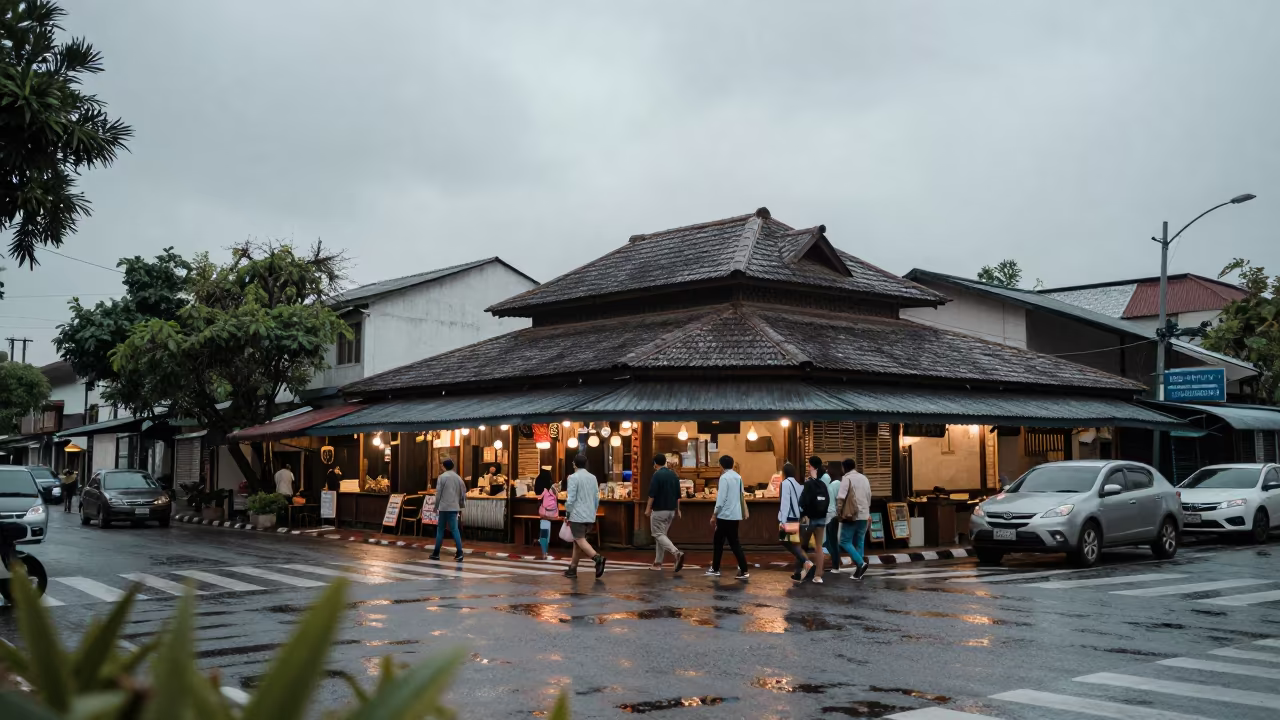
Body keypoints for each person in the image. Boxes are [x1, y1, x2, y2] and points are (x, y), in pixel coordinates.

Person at [706, 454, 750, 579]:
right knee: (733, 542)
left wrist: (714, 514)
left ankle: (716, 569)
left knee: (719, 542)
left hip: (725, 515)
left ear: (721, 465)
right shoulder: (738, 477)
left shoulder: (724, 478)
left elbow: (721, 499)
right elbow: (741, 494)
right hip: (735, 514)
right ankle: (742, 569)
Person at [565, 454, 606, 579]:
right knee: (578, 541)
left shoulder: (573, 477)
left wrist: (568, 511)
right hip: (589, 514)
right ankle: (572, 568)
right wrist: (593, 511)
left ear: (574, 464)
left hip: (577, 514)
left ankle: (597, 558)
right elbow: (596, 497)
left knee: (580, 539)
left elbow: (571, 498)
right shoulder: (593, 477)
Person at [646, 452, 684, 572]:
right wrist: (678, 510)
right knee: (661, 536)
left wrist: (648, 508)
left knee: (657, 534)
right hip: (671, 511)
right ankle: (658, 563)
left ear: (655, 464)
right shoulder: (673, 474)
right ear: (665, 462)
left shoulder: (657, 475)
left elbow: (652, 494)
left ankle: (676, 553)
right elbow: (678, 495)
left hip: (659, 510)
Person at [836, 458, 872, 579]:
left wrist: (839, 513)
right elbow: (869, 496)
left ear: (844, 467)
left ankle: (861, 563)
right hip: (864, 514)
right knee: (860, 541)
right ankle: (858, 571)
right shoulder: (864, 478)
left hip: (851, 515)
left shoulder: (846, 479)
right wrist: (867, 512)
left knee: (845, 541)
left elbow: (841, 497)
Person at [798, 455, 831, 583]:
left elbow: (803, 501)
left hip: (809, 519)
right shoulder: (823, 483)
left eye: (809, 465)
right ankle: (818, 575)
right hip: (821, 518)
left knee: (801, 546)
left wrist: (803, 514)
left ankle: (806, 567)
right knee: (819, 547)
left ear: (812, 466)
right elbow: (827, 500)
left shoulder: (809, 483)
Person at [430, 458, 466, 562]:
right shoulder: (458, 477)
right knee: (455, 529)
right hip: (454, 507)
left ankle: (436, 553)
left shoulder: (442, 477)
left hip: (444, 507)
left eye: (442, 466)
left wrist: (436, 506)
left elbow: (438, 494)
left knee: (440, 529)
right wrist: (461, 504)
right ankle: (459, 552)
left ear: (444, 466)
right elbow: (463, 491)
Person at [778, 462, 809, 581]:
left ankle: (806, 562)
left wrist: (782, 521)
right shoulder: (798, 484)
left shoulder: (785, 484)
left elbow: (785, 503)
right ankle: (797, 572)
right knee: (796, 544)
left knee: (786, 542)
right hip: (797, 517)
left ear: (784, 472)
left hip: (789, 518)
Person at [823, 462, 843, 572]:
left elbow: (838, 500)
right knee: (828, 542)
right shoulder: (832, 483)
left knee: (832, 542)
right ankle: (835, 564)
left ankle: (836, 565)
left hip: (832, 515)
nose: (827, 471)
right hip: (829, 514)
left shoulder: (836, 483)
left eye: (828, 469)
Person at [533, 468, 556, 560]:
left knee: (544, 528)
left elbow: (538, 495)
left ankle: (544, 548)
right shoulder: (550, 486)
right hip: (551, 511)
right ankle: (545, 548)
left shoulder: (538, 480)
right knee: (546, 528)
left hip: (542, 510)